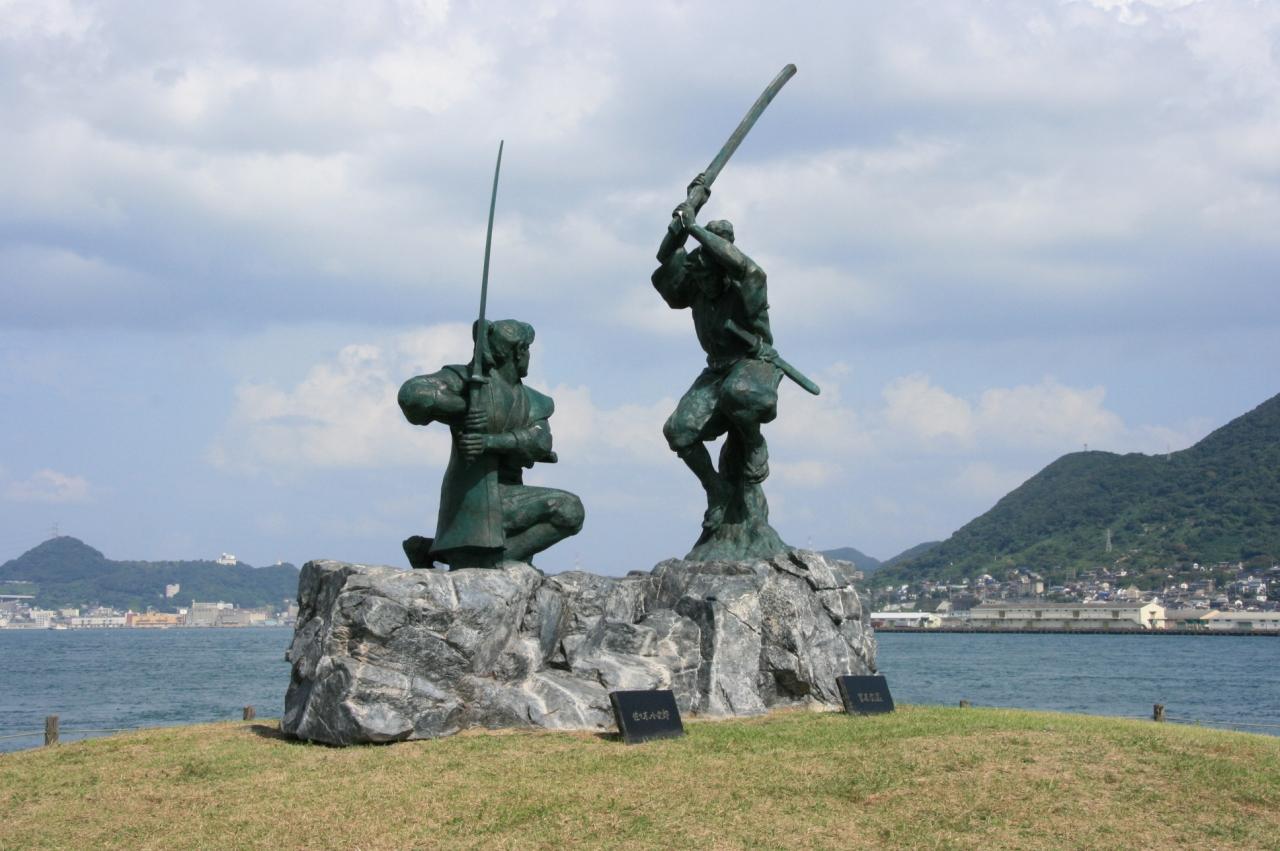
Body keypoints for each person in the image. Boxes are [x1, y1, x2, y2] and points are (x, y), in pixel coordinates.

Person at [652, 176, 784, 532]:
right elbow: (666, 257)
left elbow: (746, 267)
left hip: (753, 363)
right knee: (678, 431)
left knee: (738, 394)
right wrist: (687, 214)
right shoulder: (696, 281)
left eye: (711, 276)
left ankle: (754, 443)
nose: (704, 284)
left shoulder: (746, 285)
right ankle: (716, 490)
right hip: (717, 370)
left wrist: (694, 227)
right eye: (700, 277)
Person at [398, 319, 584, 568]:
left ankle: (435, 551)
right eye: (527, 349)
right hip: (473, 494)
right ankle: (492, 562)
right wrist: (462, 408)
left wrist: (490, 441)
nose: (528, 356)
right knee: (570, 509)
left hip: (510, 493)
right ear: (519, 352)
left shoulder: (533, 400)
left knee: (569, 512)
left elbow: (541, 441)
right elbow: (412, 395)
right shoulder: (469, 382)